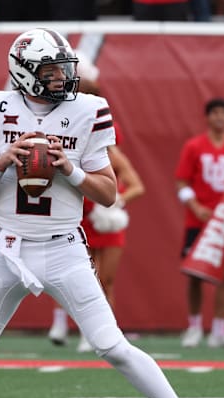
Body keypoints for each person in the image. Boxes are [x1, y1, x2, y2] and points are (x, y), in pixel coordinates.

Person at [0, 28, 181, 398]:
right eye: (51, 69)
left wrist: (70, 170)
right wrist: (3, 161)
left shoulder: (89, 109)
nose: (63, 77)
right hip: (5, 248)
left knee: (112, 346)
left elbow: (108, 193)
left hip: (63, 247)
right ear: (24, 71)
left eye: (63, 68)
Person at [47, 62, 146, 352]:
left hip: (107, 222)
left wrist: (118, 202)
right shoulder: (69, 145)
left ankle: (102, 332)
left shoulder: (111, 155)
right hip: (80, 220)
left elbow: (137, 185)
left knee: (106, 279)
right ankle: (63, 324)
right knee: (75, 276)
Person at [175, 98, 224, 349]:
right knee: (195, 275)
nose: (220, 118)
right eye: (215, 113)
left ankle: (220, 329)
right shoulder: (194, 146)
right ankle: (194, 326)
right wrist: (196, 207)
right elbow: (181, 183)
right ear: (207, 117)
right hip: (198, 222)